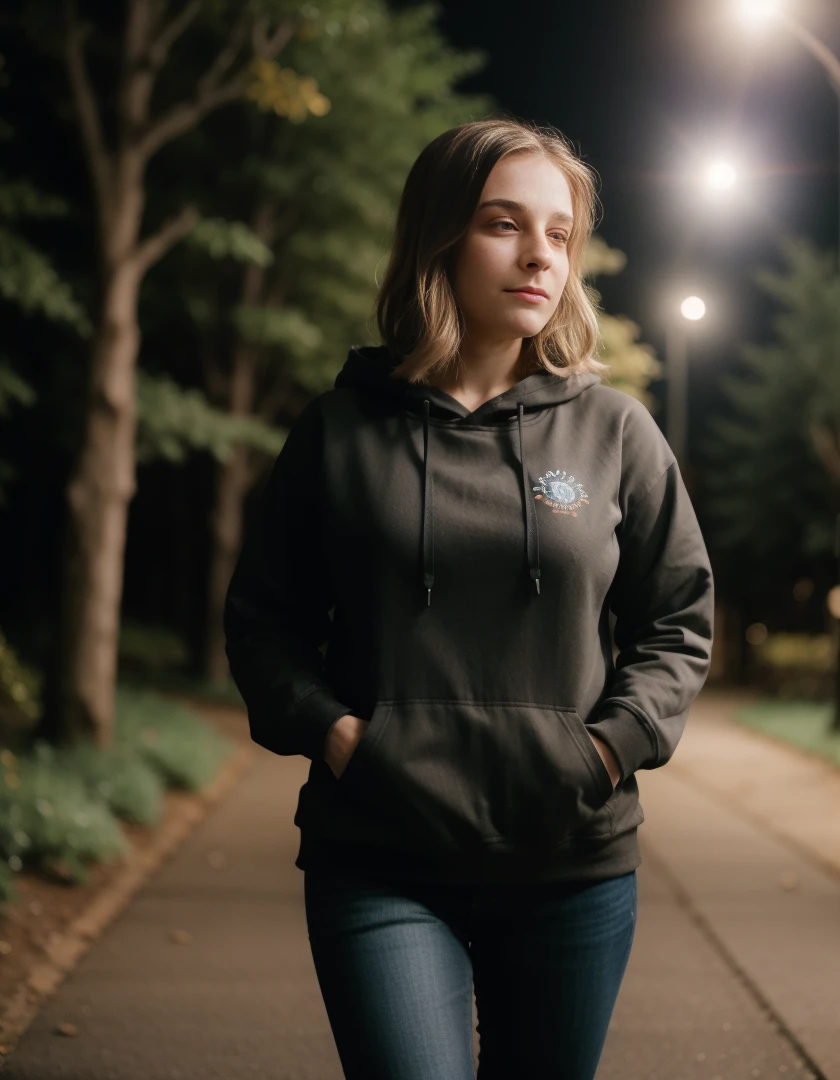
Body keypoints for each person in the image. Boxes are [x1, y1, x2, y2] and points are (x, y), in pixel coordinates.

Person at [223, 116, 715, 1080]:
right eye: (504, 223)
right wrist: (337, 736)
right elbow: (262, 624)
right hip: (380, 856)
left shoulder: (616, 433)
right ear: (438, 237)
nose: (540, 255)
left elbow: (679, 621)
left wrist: (607, 748)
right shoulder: (339, 432)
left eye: (560, 233)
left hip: (572, 860)